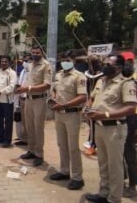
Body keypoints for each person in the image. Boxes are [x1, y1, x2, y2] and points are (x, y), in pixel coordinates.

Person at [85, 54, 137, 203]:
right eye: (105, 63)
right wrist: (87, 109)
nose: (104, 66)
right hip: (99, 128)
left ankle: (114, 198)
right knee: (103, 163)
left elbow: (131, 108)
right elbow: (92, 98)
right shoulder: (101, 81)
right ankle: (103, 193)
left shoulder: (125, 83)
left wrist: (105, 115)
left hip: (115, 129)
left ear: (118, 67)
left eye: (108, 64)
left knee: (115, 166)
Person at [48, 51, 87, 190]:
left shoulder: (79, 77)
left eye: (68, 59)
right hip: (59, 114)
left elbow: (82, 97)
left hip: (72, 115)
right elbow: (55, 90)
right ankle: (64, 171)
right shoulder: (59, 75)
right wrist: (53, 98)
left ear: (74, 61)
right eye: (63, 59)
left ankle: (77, 177)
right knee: (61, 144)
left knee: (73, 147)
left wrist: (64, 105)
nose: (65, 61)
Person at [15, 46, 52, 166]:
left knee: (38, 128)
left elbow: (47, 85)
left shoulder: (46, 65)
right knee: (29, 126)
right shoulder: (30, 65)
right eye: (33, 52)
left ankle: (39, 154)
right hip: (28, 99)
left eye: (37, 52)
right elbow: (27, 81)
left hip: (39, 100)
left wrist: (28, 88)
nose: (35, 54)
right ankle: (31, 150)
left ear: (42, 53)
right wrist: (21, 89)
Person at [0, 56, 17, 147]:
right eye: (2, 61)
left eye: (5, 61)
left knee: (8, 121)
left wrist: (0, 92)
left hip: (7, 101)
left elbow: (12, 87)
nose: (3, 63)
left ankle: (7, 140)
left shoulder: (12, 73)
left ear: (9, 63)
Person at [120, 53, 137, 198]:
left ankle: (132, 185)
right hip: (117, 117)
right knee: (117, 153)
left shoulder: (133, 78)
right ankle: (121, 180)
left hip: (132, 118)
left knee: (129, 153)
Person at [13, 54, 31, 146]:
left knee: (28, 121)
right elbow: (20, 83)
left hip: (28, 98)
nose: (25, 63)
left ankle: (29, 140)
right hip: (21, 98)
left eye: (27, 61)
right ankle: (24, 138)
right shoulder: (23, 71)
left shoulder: (32, 72)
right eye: (24, 61)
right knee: (23, 120)